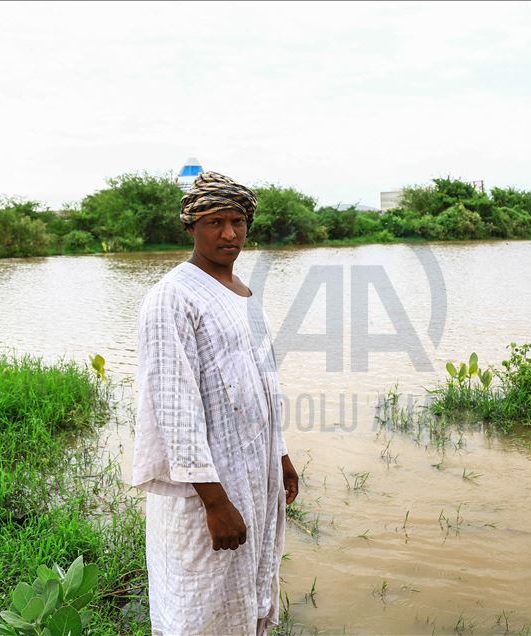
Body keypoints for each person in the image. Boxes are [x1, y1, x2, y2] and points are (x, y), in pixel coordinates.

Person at [132, 171, 298, 635]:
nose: (229, 234)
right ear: (191, 227)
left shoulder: (243, 293)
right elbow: (173, 405)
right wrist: (214, 501)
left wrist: (280, 454)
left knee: (248, 583)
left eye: (237, 221)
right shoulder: (172, 297)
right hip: (207, 485)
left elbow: (264, 383)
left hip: (252, 471)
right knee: (198, 594)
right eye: (215, 222)